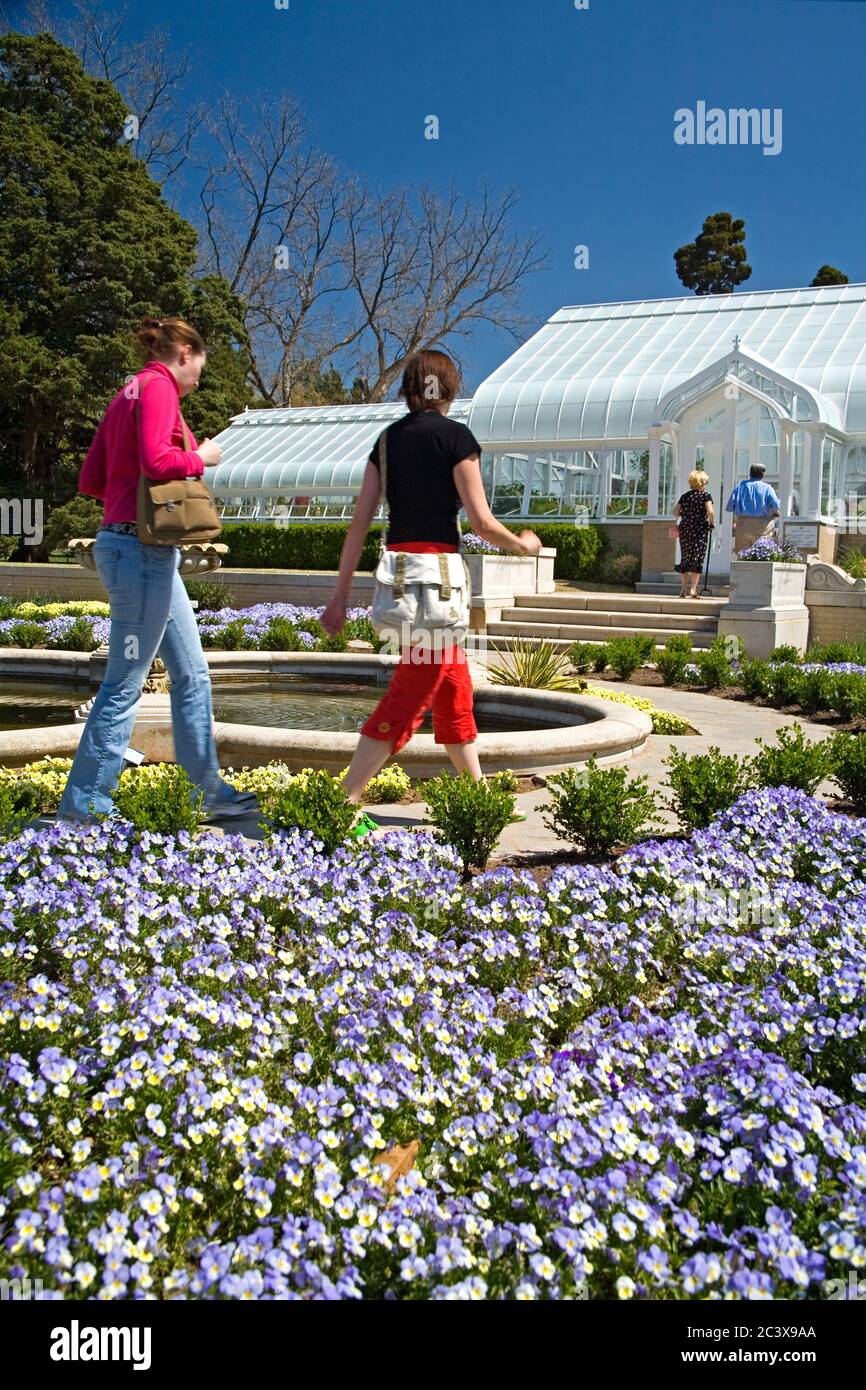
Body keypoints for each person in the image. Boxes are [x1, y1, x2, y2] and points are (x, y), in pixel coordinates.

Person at [320, 348, 541, 829]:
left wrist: (338, 598)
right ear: (449, 388)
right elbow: (481, 521)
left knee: (453, 686)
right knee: (411, 691)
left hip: (400, 584)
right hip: (437, 586)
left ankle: (478, 796)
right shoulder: (456, 438)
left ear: (409, 388)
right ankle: (342, 804)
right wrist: (523, 545)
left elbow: (358, 526)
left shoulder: (385, 442)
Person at [56, 316, 258, 826]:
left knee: (193, 674)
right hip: (141, 555)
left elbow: (92, 478)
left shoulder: (128, 391)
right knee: (125, 683)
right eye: (200, 368)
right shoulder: (159, 386)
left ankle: (207, 791)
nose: (198, 380)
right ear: (185, 352)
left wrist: (130, 505)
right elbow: (158, 460)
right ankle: (85, 811)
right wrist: (199, 457)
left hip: (134, 549)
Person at [673, 469, 715, 598]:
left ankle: (683, 589)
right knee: (697, 558)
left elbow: (675, 512)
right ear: (702, 483)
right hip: (699, 530)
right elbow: (710, 511)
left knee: (685, 558)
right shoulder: (705, 495)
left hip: (685, 529)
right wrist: (711, 523)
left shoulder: (685, 496)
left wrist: (686, 513)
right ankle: (693, 590)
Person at [725, 463, 780, 553]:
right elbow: (775, 505)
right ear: (762, 474)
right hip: (762, 525)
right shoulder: (767, 488)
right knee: (761, 554)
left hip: (743, 525)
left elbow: (731, 506)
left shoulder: (740, 486)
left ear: (750, 473)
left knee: (742, 554)